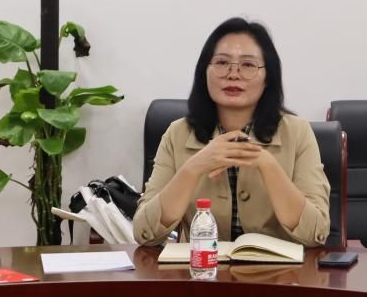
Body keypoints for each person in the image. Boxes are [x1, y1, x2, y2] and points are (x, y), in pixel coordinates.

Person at [134, 18, 330, 247]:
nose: (233, 74)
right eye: (222, 62)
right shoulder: (177, 134)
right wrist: (194, 167)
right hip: (200, 267)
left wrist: (267, 164)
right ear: (204, 72)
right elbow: (145, 233)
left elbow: (316, 233)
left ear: (268, 77)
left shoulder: (297, 133)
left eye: (248, 65)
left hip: (276, 269)